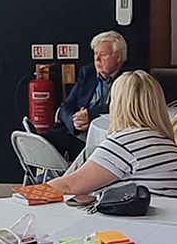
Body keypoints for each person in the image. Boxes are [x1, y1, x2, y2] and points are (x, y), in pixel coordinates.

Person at [46, 70, 177, 199]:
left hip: (125, 230)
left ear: (117, 106)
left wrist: (24, 197)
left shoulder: (124, 144)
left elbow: (68, 187)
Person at [45, 30, 131, 160]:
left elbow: (123, 106)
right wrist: (74, 122)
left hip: (104, 140)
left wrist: (90, 114)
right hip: (75, 131)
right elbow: (66, 105)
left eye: (103, 55)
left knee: (47, 145)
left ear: (118, 57)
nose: (97, 59)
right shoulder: (88, 72)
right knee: (44, 142)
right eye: (95, 54)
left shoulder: (130, 78)